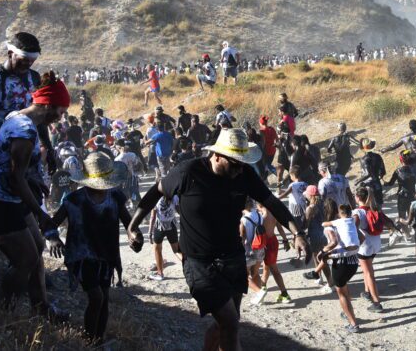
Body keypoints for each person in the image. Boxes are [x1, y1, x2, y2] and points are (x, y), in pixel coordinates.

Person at [127, 128, 308, 350]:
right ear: (217, 156)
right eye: (234, 163)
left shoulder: (244, 174)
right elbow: (156, 191)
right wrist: (133, 226)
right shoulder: (188, 172)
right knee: (230, 323)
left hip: (233, 258)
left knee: (226, 323)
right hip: (199, 263)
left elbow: (271, 202)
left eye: (242, 163)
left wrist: (297, 233)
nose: (239, 169)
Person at [0, 72, 71, 317]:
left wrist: (32, 176)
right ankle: (6, 313)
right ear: (47, 105)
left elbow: (12, 167)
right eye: (60, 110)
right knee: (25, 259)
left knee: (37, 249)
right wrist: (41, 214)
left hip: (7, 198)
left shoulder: (18, 115)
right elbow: (16, 180)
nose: (61, 116)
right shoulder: (25, 133)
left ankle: (41, 308)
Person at [46, 152, 131, 344]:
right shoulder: (73, 200)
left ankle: (98, 340)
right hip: (81, 255)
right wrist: (53, 238)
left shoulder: (115, 196)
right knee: (96, 297)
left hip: (106, 255)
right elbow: (52, 223)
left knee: (104, 297)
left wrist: (135, 235)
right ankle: (88, 341)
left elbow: (128, 222)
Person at [315, 201, 363, 333]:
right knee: (345, 288)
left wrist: (324, 251)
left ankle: (353, 324)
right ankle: (348, 313)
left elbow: (333, 240)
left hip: (340, 263)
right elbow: (362, 237)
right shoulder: (351, 223)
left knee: (342, 294)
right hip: (353, 262)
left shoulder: (333, 225)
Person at [353, 186, 396, 312]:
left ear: (357, 198)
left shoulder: (358, 212)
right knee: (367, 268)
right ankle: (367, 292)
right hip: (376, 243)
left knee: (368, 272)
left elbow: (354, 227)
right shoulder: (375, 208)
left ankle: (377, 303)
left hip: (364, 246)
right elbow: (387, 222)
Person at [148, 195, 182, 280]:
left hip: (159, 227)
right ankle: (189, 266)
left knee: (157, 249)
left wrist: (149, 233)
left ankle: (160, 274)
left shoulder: (155, 198)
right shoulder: (175, 197)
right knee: (176, 250)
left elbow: (152, 217)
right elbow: (179, 211)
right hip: (172, 225)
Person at [357, 139, 386, 209]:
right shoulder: (378, 156)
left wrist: (358, 181)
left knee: (367, 209)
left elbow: (367, 174)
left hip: (367, 186)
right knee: (379, 208)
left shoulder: (363, 159)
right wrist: (378, 176)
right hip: (377, 184)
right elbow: (383, 172)